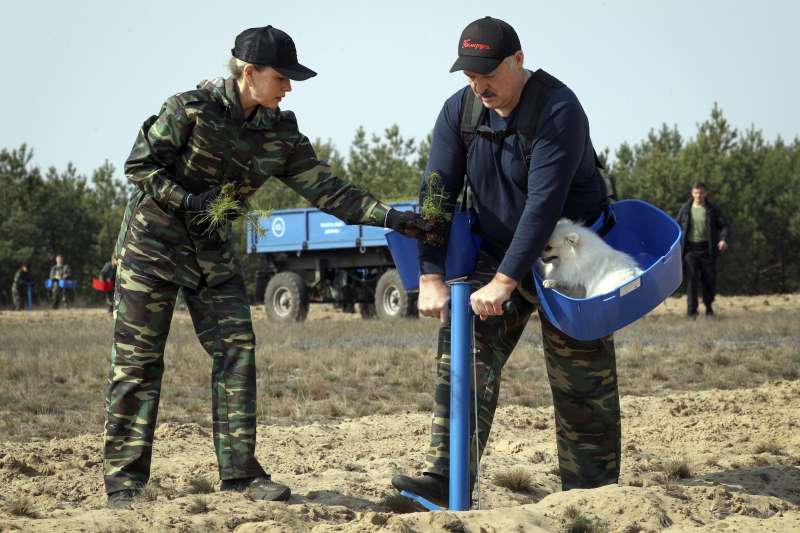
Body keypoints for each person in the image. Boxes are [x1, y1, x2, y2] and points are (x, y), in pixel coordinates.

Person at [103, 25, 430, 509]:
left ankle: (240, 475)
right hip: (152, 249)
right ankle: (125, 484)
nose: (289, 87)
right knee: (139, 363)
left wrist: (391, 218)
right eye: (282, 77)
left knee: (237, 350)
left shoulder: (280, 131)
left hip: (212, 255)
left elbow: (328, 189)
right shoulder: (189, 109)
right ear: (249, 73)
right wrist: (189, 198)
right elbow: (140, 167)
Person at [391, 17, 621, 506]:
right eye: (470, 76)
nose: (480, 85)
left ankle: (591, 495)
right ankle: (445, 478)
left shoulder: (558, 109)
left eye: (489, 73)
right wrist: (430, 274)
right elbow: (436, 194)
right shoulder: (460, 111)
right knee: (463, 351)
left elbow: (543, 205)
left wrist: (504, 281)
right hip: (497, 249)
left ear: (518, 60)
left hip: (569, 253)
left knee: (581, 377)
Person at [676, 182, 730, 317]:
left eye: (701, 193)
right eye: (696, 192)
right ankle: (691, 312)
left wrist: (723, 239)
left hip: (708, 249)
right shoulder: (685, 209)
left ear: (705, 193)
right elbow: (676, 226)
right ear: (692, 193)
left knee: (709, 280)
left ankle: (709, 309)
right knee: (692, 280)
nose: (698, 195)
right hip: (690, 250)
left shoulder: (712, 209)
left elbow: (724, 226)